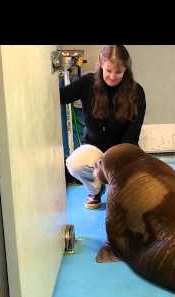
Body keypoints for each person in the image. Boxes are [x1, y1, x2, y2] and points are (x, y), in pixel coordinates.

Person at [60, 45, 146, 209]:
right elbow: (61, 96)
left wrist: (115, 165)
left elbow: (132, 136)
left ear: (126, 70)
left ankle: (116, 187)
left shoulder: (137, 92)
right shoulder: (87, 83)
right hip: (93, 148)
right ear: (100, 64)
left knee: (132, 199)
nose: (113, 76)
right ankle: (95, 190)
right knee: (74, 163)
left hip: (123, 149)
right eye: (108, 71)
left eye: (119, 72)